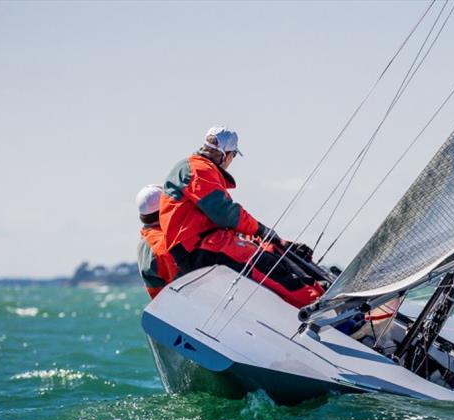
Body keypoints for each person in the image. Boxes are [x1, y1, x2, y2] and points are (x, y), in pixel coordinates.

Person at [159, 126, 324, 308]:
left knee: (271, 250)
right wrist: (261, 229)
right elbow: (225, 213)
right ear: (226, 154)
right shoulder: (198, 169)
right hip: (195, 248)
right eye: (234, 155)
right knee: (262, 262)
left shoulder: (198, 168)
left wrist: (276, 241)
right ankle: (316, 305)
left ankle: (320, 290)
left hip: (205, 242)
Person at [136, 184, 178, 298]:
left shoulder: (145, 239)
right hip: (179, 305)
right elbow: (185, 279)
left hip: (165, 307)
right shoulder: (161, 244)